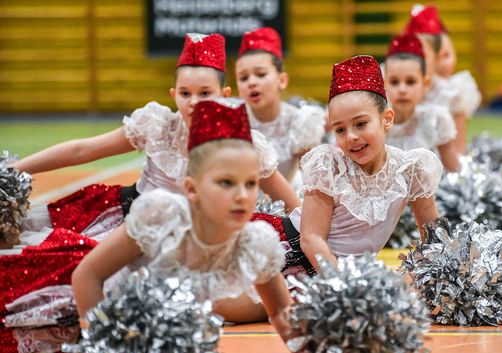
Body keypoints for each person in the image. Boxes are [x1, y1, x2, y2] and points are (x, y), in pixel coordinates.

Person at [71, 99, 347, 353]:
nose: (241, 195)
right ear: (191, 189)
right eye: (226, 183)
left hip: (152, 350)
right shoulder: (162, 217)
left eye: (251, 183)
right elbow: (87, 276)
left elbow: (280, 312)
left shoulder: (254, 244)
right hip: (76, 315)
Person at [4, 32, 299, 249]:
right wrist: (13, 170)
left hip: (202, 240)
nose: (194, 102)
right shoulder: (158, 126)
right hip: (130, 223)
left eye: (205, 93)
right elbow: (83, 149)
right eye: (185, 93)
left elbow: (292, 205)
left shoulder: (245, 144)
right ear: (174, 94)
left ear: (224, 95)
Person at [281, 55, 443, 275]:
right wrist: (345, 286)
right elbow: (311, 239)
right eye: (340, 129)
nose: (351, 136)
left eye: (361, 124)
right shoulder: (330, 165)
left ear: (387, 119)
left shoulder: (411, 169)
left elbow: (435, 243)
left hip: (345, 274)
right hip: (292, 254)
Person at [235, 27, 326, 183]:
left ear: (282, 80)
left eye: (261, 74)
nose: (251, 82)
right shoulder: (232, 121)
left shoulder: (301, 123)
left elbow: (313, 180)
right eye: (243, 78)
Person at [403, 4, 480, 154]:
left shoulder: (456, 91)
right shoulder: (402, 88)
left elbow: (459, 147)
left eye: (446, 55)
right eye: (433, 57)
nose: (442, 64)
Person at [384, 33, 460, 172]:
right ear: (384, 84)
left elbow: (454, 170)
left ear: (425, 84)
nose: (402, 90)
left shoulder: (436, 120)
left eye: (410, 82)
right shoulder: (376, 122)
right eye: (394, 82)